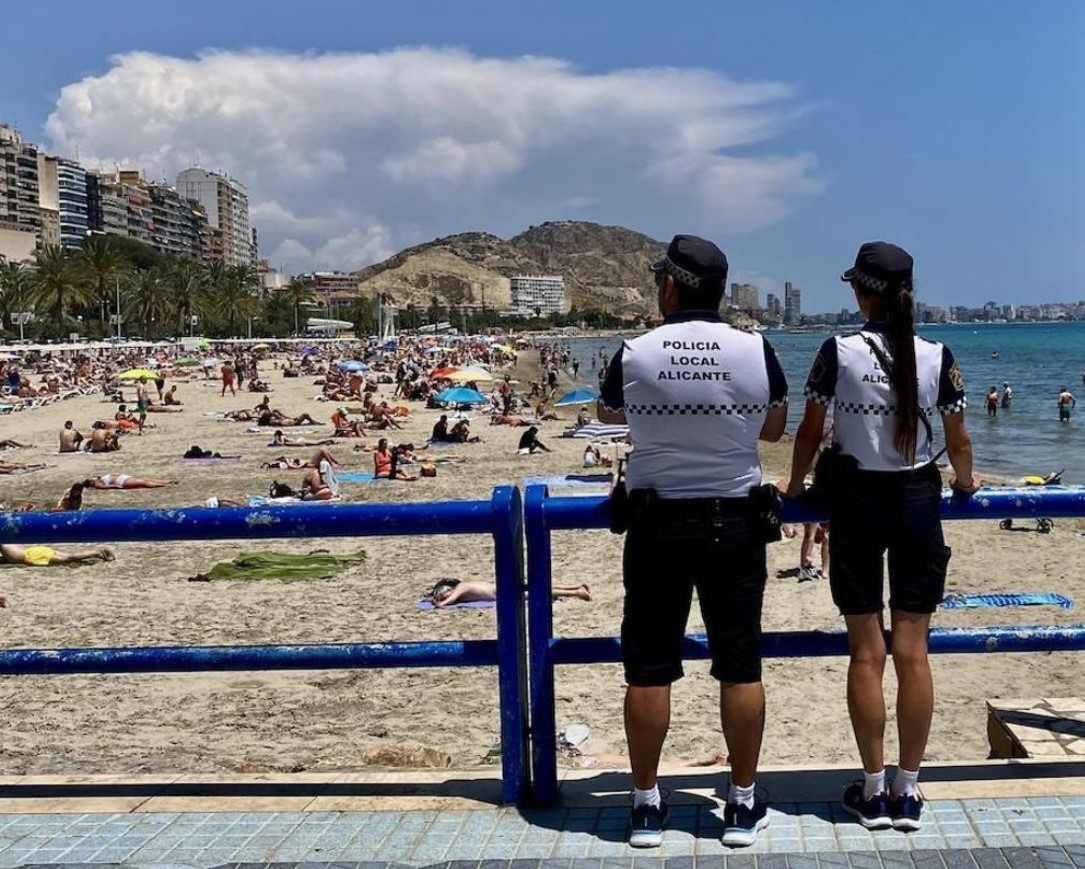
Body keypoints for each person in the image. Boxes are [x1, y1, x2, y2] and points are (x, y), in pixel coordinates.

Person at [597, 234, 788, 848]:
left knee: (649, 670)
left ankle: (647, 804)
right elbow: (777, 426)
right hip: (736, 521)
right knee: (740, 665)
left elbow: (606, 415)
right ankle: (740, 803)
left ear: (670, 286)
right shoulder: (755, 348)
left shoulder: (634, 352)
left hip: (657, 524)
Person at [785, 241, 977, 834]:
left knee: (867, 653)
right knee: (914, 654)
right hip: (918, 501)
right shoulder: (935, 353)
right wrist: (965, 484)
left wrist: (794, 489)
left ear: (861, 292)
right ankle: (910, 791)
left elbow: (810, 432)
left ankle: (872, 790)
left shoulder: (837, 351)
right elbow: (960, 442)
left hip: (857, 503)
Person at [428, 578, 592, 607]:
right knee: (536, 586)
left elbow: (450, 600)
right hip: (498, 589)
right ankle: (575, 587)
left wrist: (440, 603)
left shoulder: (461, 587)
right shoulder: (463, 588)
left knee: (536, 591)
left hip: (499, 592)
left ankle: (577, 592)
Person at [0, 543, 114, 566]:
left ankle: (97, 552)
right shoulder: (8, 544)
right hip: (35, 551)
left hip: (34, 556)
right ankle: (98, 554)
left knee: (69, 558)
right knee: (69, 557)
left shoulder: (5, 548)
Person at [83, 474, 175, 490]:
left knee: (143, 483)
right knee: (143, 481)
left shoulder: (96, 483)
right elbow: (109, 486)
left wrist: (116, 486)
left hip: (122, 481)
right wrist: (116, 486)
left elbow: (109, 487)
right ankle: (165, 483)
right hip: (121, 478)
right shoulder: (96, 480)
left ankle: (164, 484)